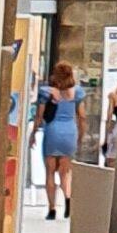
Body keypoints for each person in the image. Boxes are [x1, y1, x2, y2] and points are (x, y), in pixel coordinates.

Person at [41, 63, 82, 221]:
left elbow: (40, 116)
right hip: (69, 132)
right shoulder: (77, 93)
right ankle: (68, 200)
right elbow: (82, 117)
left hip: (52, 132)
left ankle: (52, 209)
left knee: (50, 172)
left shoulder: (48, 92)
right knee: (65, 173)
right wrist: (80, 135)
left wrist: (33, 132)